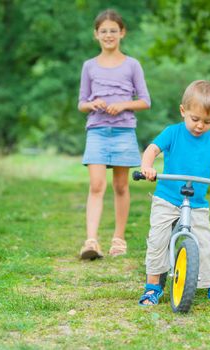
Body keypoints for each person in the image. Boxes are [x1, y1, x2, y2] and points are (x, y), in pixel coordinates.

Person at [138, 80, 210, 305]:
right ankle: (153, 286)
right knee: (158, 240)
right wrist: (147, 166)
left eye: (208, 121)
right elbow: (152, 150)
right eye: (195, 119)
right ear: (183, 111)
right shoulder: (172, 133)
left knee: (206, 243)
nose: (200, 126)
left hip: (196, 203)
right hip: (167, 199)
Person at [78, 9, 151, 260]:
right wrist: (93, 103)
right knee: (96, 185)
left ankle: (118, 239)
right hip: (97, 131)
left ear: (122, 33)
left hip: (123, 131)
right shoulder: (89, 66)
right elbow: (81, 103)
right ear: (96, 35)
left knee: (121, 186)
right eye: (103, 31)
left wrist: (122, 105)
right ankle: (91, 241)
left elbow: (145, 101)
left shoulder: (132, 65)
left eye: (113, 30)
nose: (108, 35)